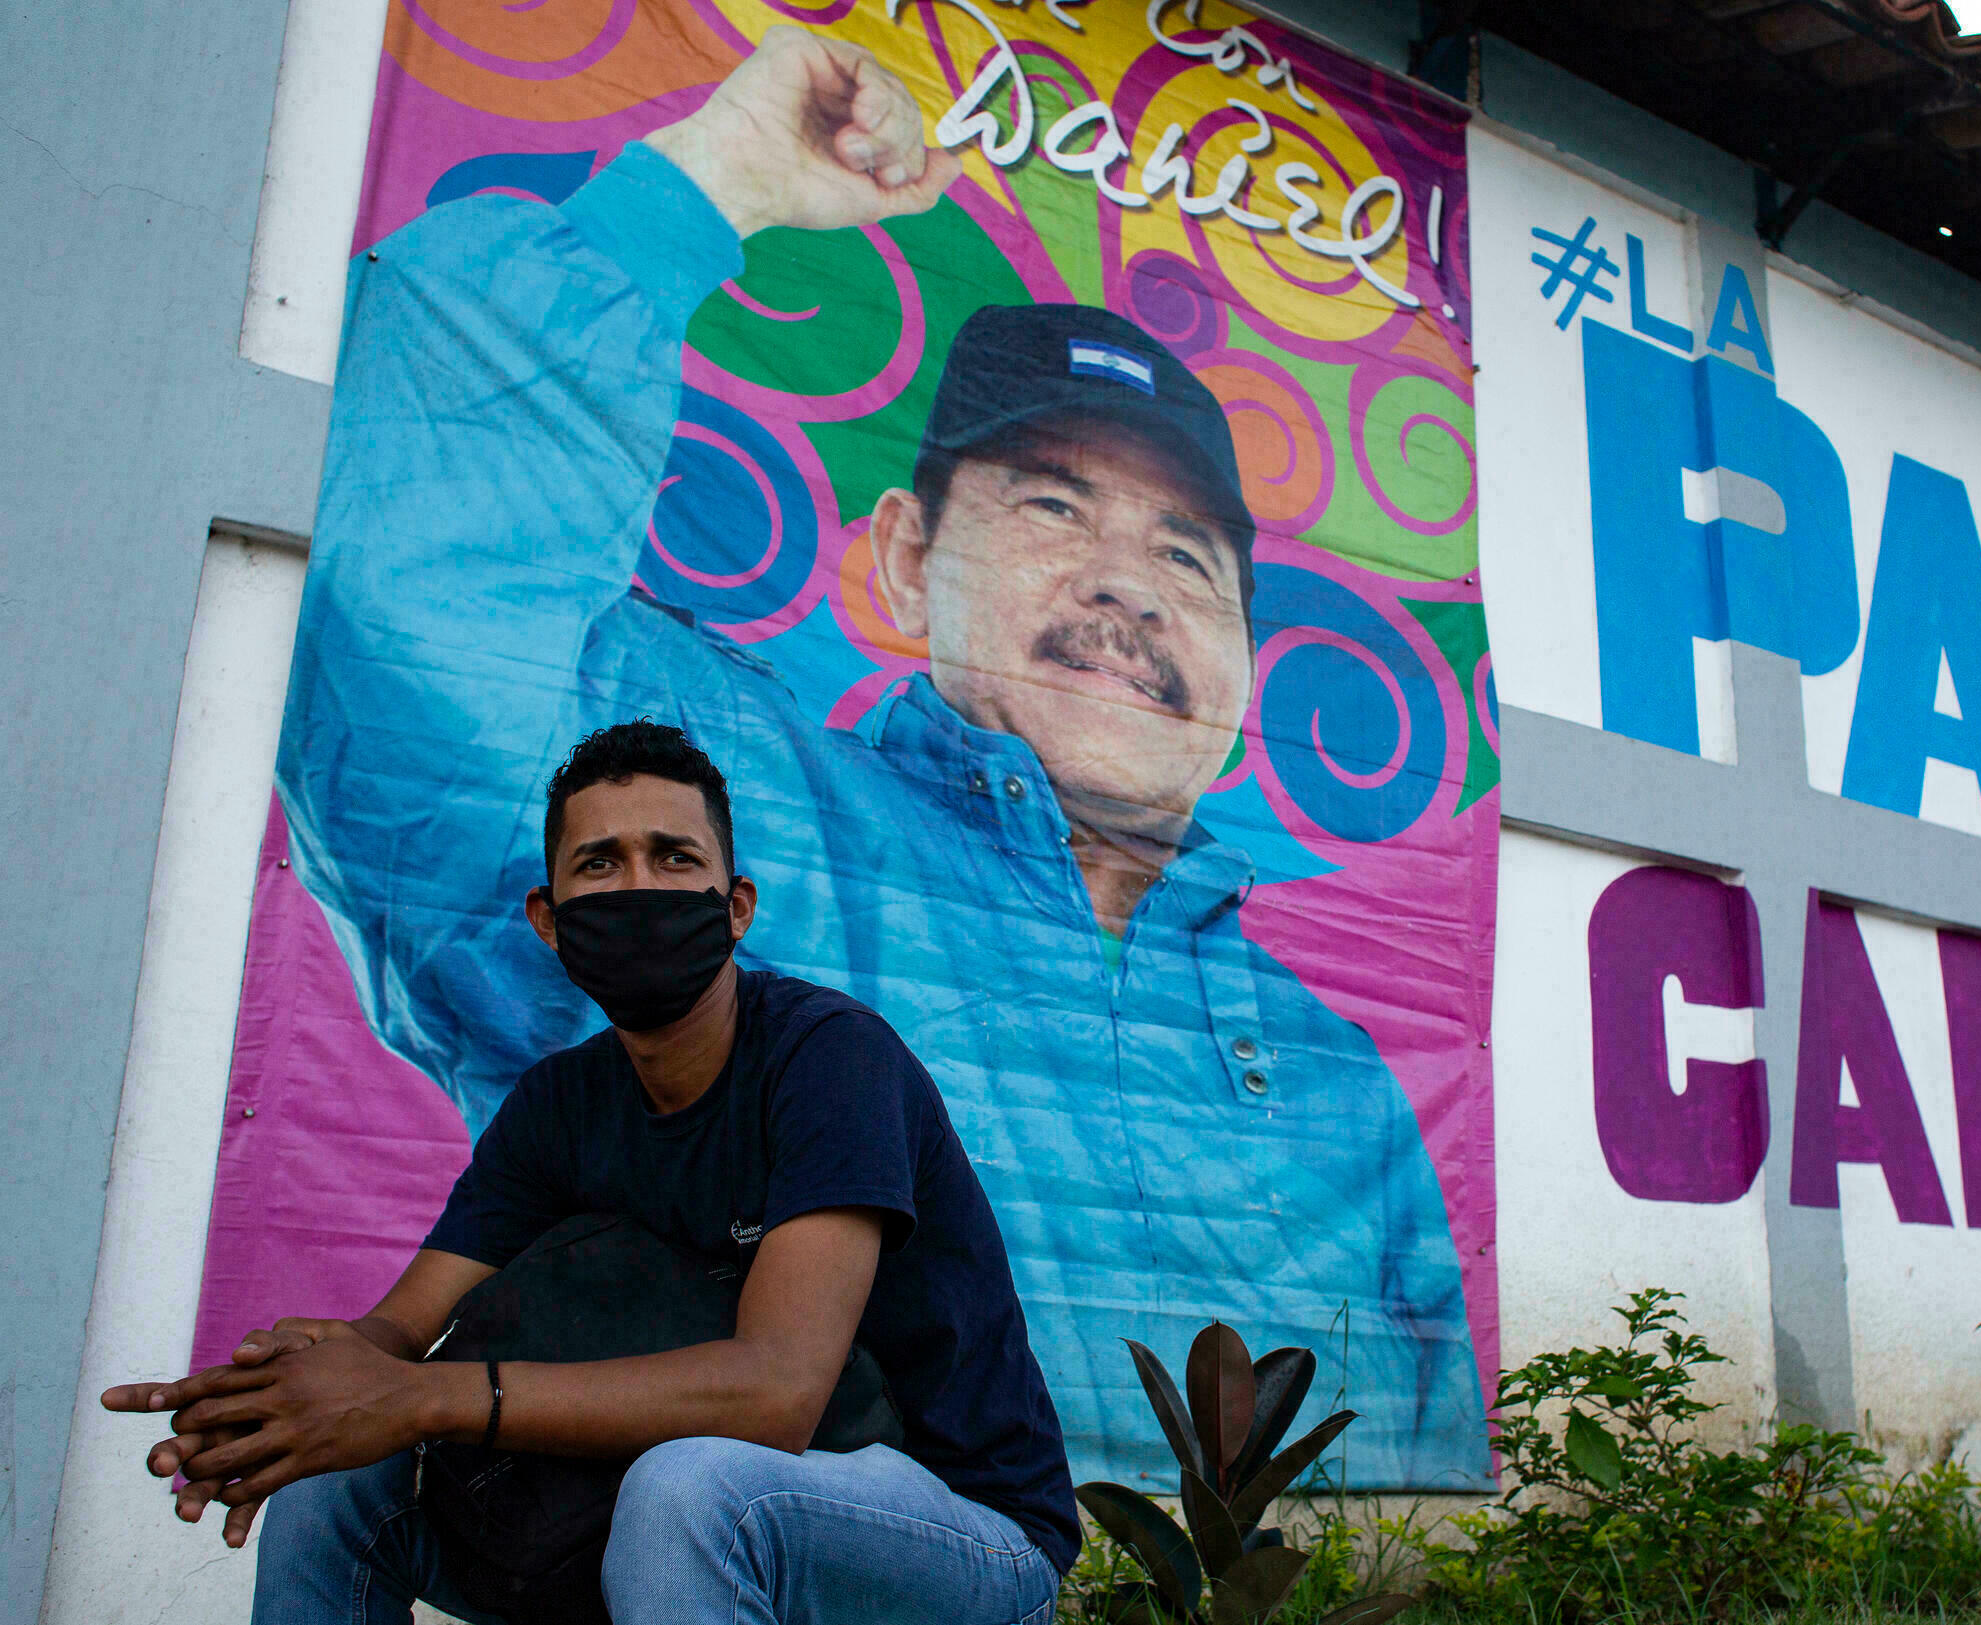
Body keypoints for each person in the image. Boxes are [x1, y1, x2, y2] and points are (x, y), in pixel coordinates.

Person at [279, 24, 1486, 1485]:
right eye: (1052, 508)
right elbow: (408, 601)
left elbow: (1412, 1484)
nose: (1130, 585)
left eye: (1188, 552)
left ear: (1245, 660)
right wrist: (705, 183)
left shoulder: (1343, 1074)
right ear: (907, 564)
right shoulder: (717, 799)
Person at [105, 722, 1079, 1624]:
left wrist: (428, 1395)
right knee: (333, 1480)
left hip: (961, 1528)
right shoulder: (557, 1102)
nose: (638, 887)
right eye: (600, 862)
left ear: (734, 904)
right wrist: (289, 1395)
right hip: (652, 1512)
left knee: (689, 1488)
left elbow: (775, 1391)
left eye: (674, 856)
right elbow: (397, 1330)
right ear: (549, 916)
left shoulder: (829, 1058)